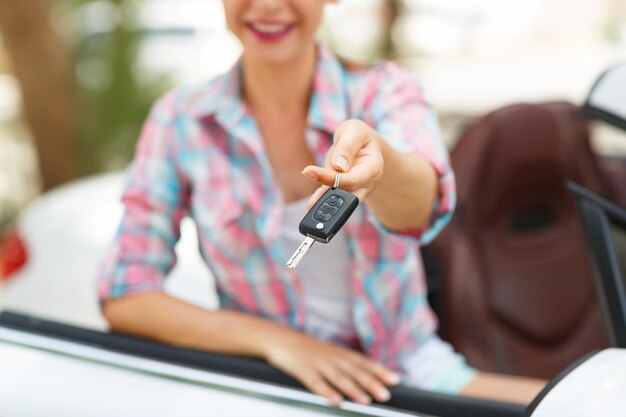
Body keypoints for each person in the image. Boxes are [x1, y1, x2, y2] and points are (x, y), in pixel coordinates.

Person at [99, 0, 546, 406]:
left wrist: (382, 164)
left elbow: (420, 209)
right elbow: (125, 293)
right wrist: (278, 342)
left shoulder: (385, 91)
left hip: (405, 376)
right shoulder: (180, 120)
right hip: (262, 382)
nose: (269, 5)